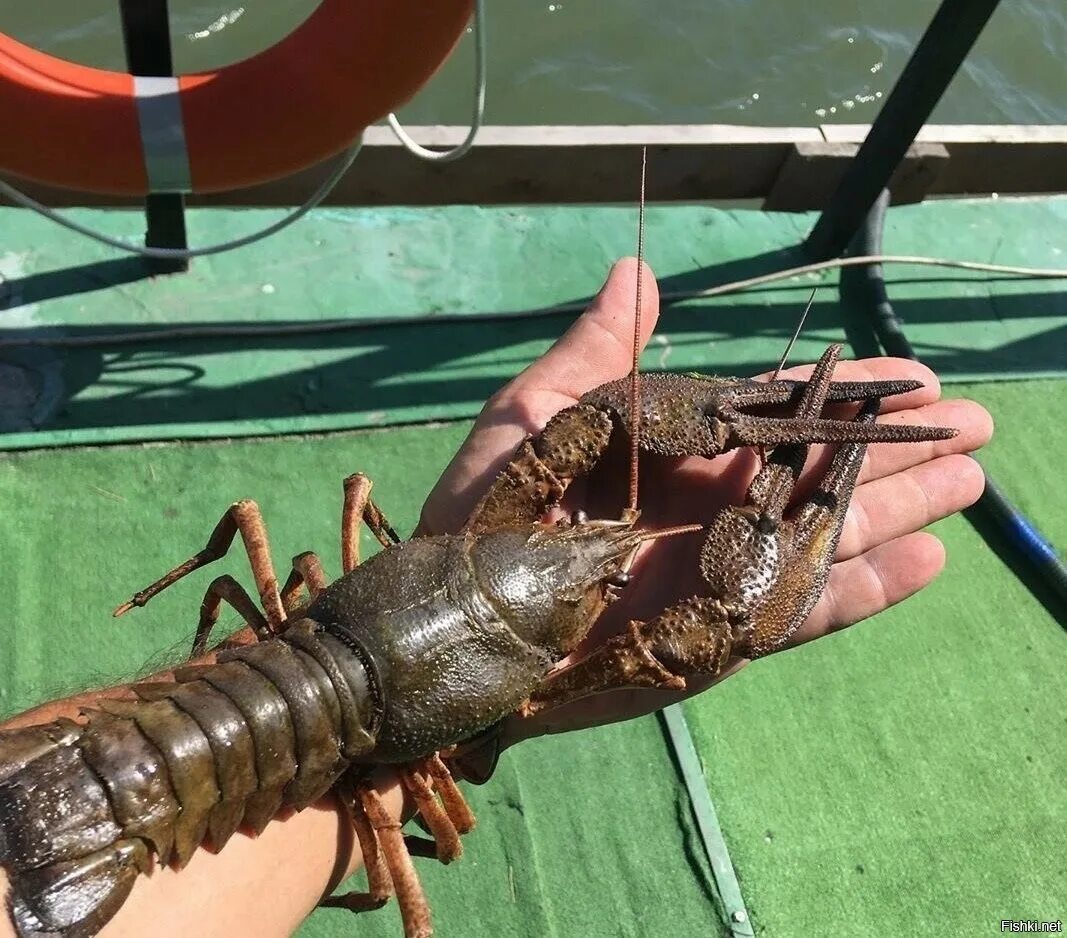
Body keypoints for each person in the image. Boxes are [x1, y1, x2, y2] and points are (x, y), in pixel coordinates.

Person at [0, 259, 992, 938]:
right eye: (581, 542)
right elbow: (699, 608)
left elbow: (594, 424)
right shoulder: (547, 633)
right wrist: (476, 731)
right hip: (287, 721)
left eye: (583, 550)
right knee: (710, 620)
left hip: (250, 695)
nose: (589, 543)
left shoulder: (476, 537)